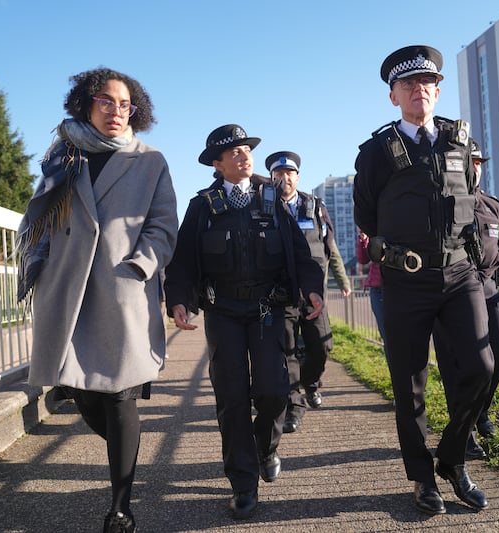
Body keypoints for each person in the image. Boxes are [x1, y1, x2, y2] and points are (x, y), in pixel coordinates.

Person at [16, 67, 178, 533]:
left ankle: (120, 507)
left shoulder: (150, 161)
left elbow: (164, 224)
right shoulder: (63, 155)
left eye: (125, 104)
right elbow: (41, 213)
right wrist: (37, 264)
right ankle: (126, 450)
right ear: (86, 103)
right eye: (106, 101)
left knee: (120, 397)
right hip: (68, 287)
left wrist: (140, 266)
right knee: (83, 396)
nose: (116, 111)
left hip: (120, 288)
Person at [353, 45, 494, 515]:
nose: (418, 90)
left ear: (436, 90)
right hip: (406, 278)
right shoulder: (376, 152)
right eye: (407, 84)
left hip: (459, 273)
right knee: (409, 384)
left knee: (481, 366)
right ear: (394, 96)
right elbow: (366, 214)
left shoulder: (459, 142)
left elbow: (471, 204)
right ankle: (421, 478)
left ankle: (451, 460)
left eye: (426, 82)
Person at [164, 125, 324, 520]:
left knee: (273, 391)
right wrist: (180, 301)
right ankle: (243, 483)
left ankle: (266, 447)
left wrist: (312, 288)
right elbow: (183, 259)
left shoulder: (273, 198)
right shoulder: (202, 205)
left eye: (246, 149)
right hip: (223, 312)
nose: (243, 156)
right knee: (232, 397)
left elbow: (301, 253)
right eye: (233, 152)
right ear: (217, 165)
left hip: (269, 311)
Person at [265, 151, 352, 434]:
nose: (284, 178)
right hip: (282, 294)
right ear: (271, 178)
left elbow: (331, 248)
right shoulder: (264, 208)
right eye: (278, 174)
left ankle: (312, 383)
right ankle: (295, 405)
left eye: (289, 173)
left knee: (321, 346)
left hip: (313, 294)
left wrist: (343, 280)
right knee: (286, 352)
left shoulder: (315, 207)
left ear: (297, 177)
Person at [434, 141, 499, 461]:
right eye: (470, 161)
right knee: (456, 366)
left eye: (479, 162)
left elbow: (496, 246)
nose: (475, 167)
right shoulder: (444, 203)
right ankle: (464, 432)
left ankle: (480, 412)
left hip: (489, 290)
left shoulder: (492, 205)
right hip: (454, 294)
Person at [356, 229, 386, 348]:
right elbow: (363, 259)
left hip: (401, 287)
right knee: (387, 337)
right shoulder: (374, 227)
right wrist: (363, 239)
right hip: (378, 289)